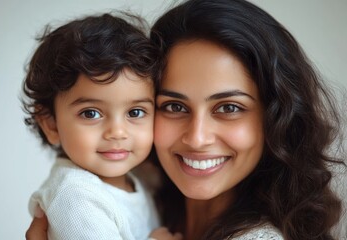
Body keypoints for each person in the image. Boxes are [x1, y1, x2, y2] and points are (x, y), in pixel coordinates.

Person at [26, 0, 346, 239]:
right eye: (174, 107)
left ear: (275, 116)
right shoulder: (140, 191)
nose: (197, 137)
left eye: (229, 107)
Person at [22, 12, 181, 240]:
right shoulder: (75, 196)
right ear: (51, 124)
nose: (117, 131)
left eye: (135, 112)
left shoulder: (138, 179)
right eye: (91, 113)